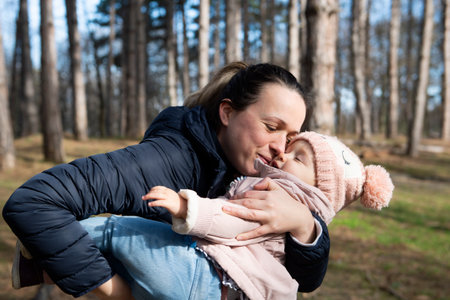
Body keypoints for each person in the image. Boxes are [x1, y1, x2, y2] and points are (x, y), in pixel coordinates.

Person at [3, 62, 329, 299]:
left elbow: (304, 280)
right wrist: (118, 293)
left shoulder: (256, 177)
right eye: (272, 127)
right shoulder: (169, 161)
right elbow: (34, 201)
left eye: (290, 137)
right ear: (227, 113)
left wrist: (305, 226)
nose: (279, 148)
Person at [80, 131, 394, 299]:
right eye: (290, 146)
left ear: (320, 188)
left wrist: (187, 207)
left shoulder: (281, 194)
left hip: (205, 280)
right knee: (112, 255)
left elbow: (237, 219)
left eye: (298, 157)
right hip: (211, 283)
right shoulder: (281, 187)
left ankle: (48, 232)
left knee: (116, 231)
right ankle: (39, 260)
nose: (282, 152)